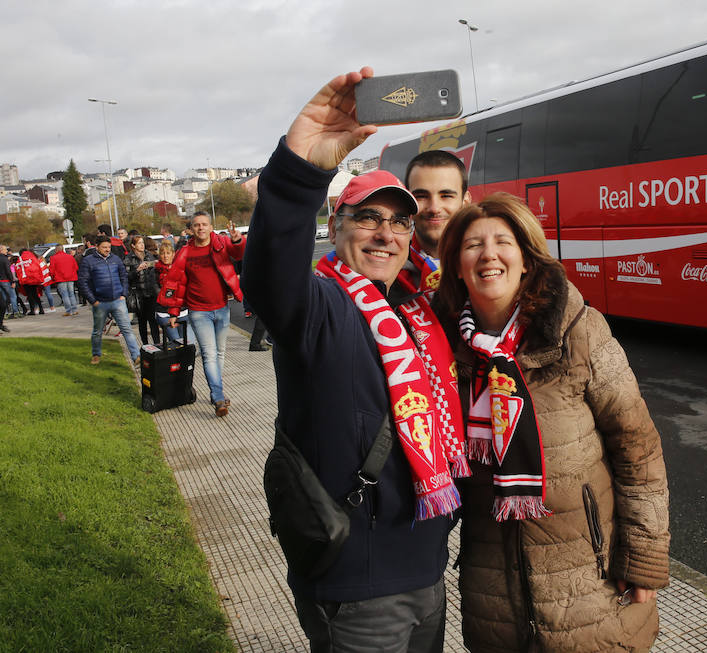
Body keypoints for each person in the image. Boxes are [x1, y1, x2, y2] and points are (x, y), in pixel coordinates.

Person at [242, 68, 467, 653]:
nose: (385, 233)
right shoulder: (318, 304)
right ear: (336, 227)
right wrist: (301, 169)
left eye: (398, 221)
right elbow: (271, 274)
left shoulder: (423, 311)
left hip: (426, 567)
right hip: (356, 579)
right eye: (367, 216)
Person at [433, 193, 670, 652]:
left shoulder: (578, 331)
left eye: (503, 241)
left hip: (594, 584)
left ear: (526, 260)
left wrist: (643, 559)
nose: (488, 254)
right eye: (472, 245)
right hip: (494, 595)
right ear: (457, 267)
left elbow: (638, 449)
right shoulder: (439, 350)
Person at [157, 211, 245, 417]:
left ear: (210, 227)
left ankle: (218, 390)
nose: (201, 228)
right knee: (209, 354)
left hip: (222, 308)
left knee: (220, 353)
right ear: (191, 229)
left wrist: (238, 240)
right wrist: (173, 311)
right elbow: (177, 284)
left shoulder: (221, 243)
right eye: (196, 225)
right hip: (198, 311)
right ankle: (218, 397)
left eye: (204, 224)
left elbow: (239, 253)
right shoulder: (185, 253)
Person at [399, 150, 472, 294]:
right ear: (408, 202)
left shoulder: (488, 265)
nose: (434, 208)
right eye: (421, 196)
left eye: (446, 196)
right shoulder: (385, 268)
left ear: (466, 201)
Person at [77, 235, 141, 366]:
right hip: (100, 302)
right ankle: (96, 354)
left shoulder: (116, 259)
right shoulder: (88, 261)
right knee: (97, 331)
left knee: (127, 330)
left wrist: (123, 294)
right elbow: (82, 282)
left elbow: (123, 277)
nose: (107, 250)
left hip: (118, 300)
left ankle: (136, 357)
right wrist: (93, 300)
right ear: (96, 247)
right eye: (104, 247)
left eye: (109, 247)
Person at [124, 234, 160, 345]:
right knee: (142, 321)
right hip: (138, 294)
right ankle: (145, 345)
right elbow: (126, 277)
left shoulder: (149, 255)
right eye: (139, 243)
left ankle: (157, 344)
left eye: (142, 243)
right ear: (133, 245)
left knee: (153, 320)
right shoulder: (129, 258)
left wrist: (155, 265)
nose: (142, 245)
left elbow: (156, 271)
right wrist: (137, 270)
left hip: (151, 292)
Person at [49, 244, 80, 316]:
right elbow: (76, 267)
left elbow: (52, 269)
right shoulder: (70, 257)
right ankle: (74, 309)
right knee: (71, 294)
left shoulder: (54, 258)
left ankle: (68, 310)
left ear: (56, 250)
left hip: (60, 278)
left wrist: (52, 277)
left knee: (65, 294)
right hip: (71, 277)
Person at [14, 249, 46, 316]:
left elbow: (18, 269)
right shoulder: (32, 258)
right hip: (33, 279)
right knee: (35, 294)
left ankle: (32, 310)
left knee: (29, 295)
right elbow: (37, 267)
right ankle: (41, 309)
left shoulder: (20, 259)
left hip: (25, 280)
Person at [0, 244, 20, 318]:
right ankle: (16, 312)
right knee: (13, 296)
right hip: (6, 280)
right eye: (5, 250)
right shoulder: (5, 259)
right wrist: (12, 281)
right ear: (1, 250)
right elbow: (8, 271)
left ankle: (6, 313)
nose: (6, 251)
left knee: (4, 298)